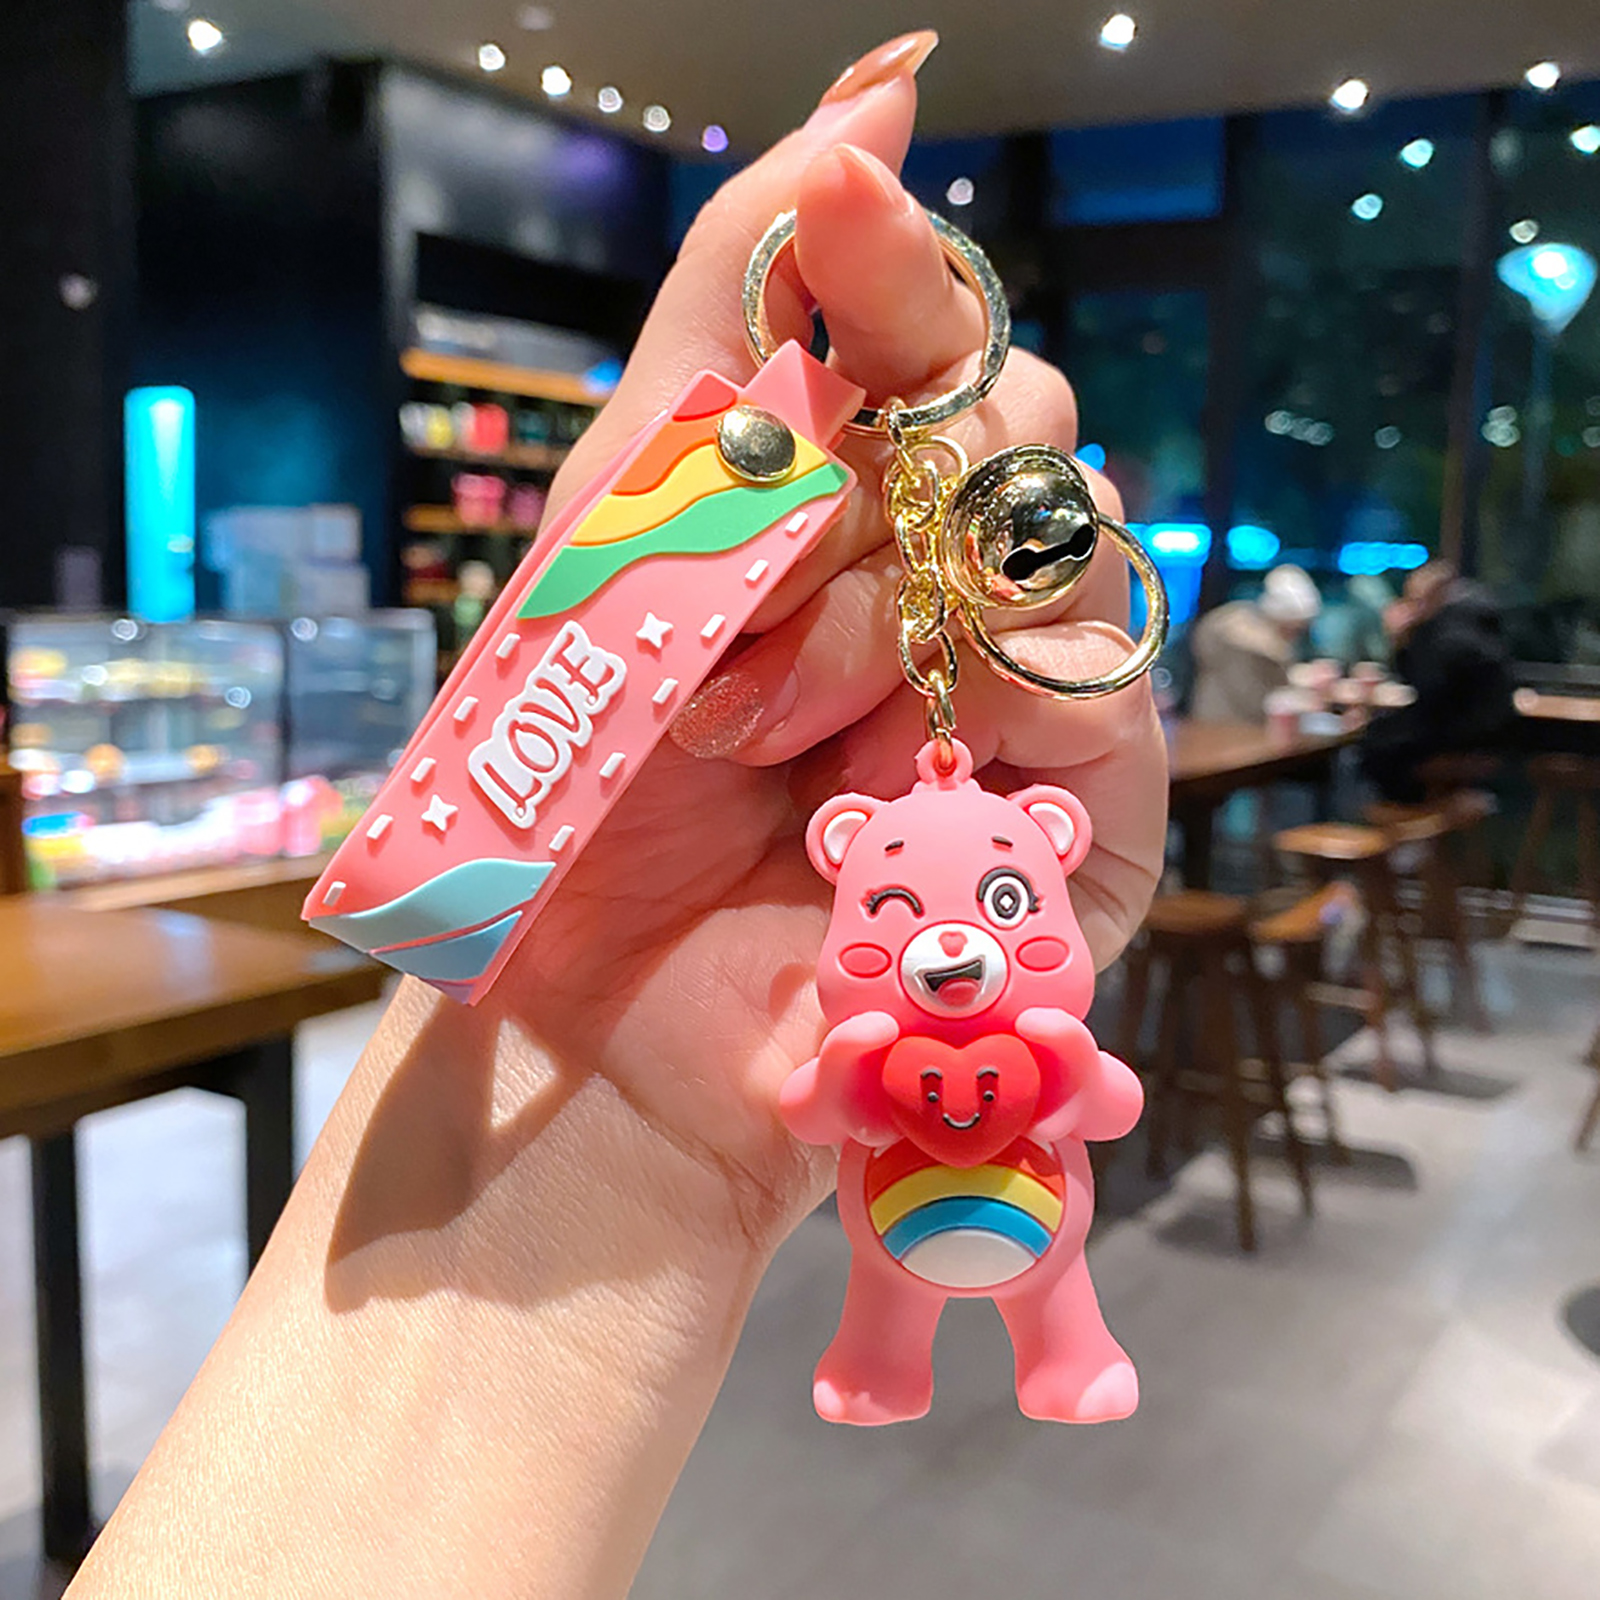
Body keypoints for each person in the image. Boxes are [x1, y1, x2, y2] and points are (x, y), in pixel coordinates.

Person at [65, 33, 1169, 1599]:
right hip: (853, 1140)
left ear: (1042, 853)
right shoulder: (850, 967)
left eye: (999, 898)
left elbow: (1090, 1097)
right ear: (848, 860)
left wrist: (658, 1143)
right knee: (894, 1300)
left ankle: (1027, 1340)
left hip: (961, 1159)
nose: (947, 944)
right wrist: (599, 1111)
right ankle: (892, 1342)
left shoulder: (963, 951)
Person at [1360, 559, 1516, 803]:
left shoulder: (1446, 635)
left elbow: (1427, 687)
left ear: (1430, 597)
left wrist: (1401, 639)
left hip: (1461, 738)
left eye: (1413, 600)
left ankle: (1415, 816)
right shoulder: (1478, 622)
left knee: (1377, 745)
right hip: (1494, 736)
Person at [1188, 563, 1322, 723]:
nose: (1295, 636)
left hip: (1241, 724)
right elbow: (1252, 698)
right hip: (1224, 724)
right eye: (1295, 628)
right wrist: (1301, 699)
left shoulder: (1270, 645)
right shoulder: (1242, 641)